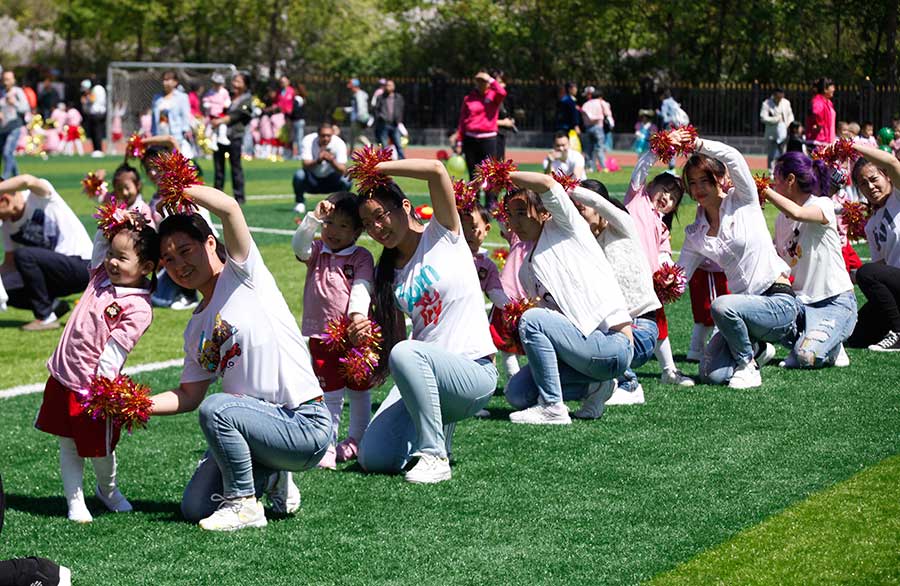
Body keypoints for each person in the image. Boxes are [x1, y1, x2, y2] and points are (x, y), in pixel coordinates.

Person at [149, 185, 331, 531]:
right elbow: (188, 396)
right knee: (195, 507)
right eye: (168, 260)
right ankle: (274, 476)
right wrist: (133, 404)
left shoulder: (243, 274)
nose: (179, 266)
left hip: (303, 423)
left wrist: (179, 185)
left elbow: (230, 208)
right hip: (259, 431)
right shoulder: (195, 329)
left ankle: (244, 504)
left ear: (210, 243)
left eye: (185, 251)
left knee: (217, 408)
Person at [354, 159, 498, 483]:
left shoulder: (443, 233)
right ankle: (433, 430)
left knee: (407, 351)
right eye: (368, 224)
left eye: (380, 215)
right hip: (425, 374)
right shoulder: (388, 272)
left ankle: (435, 455)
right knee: (373, 457)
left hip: (472, 371)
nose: (377, 228)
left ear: (405, 206)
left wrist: (379, 167)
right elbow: (386, 339)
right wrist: (361, 328)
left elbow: (436, 170)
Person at [34, 207, 158, 523]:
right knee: (68, 445)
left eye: (122, 257)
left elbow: (115, 352)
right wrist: (118, 219)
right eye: (111, 254)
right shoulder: (99, 277)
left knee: (101, 449)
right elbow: (101, 242)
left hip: (92, 390)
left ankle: (108, 490)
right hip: (62, 377)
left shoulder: (138, 307)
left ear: (145, 266)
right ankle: (75, 502)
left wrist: (103, 387)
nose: (112, 261)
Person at [502, 172, 633, 424]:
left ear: (545, 213)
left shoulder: (566, 226)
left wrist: (505, 175)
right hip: (581, 352)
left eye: (521, 212)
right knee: (517, 394)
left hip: (613, 343)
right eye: (510, 214)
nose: (514, 222)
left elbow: (549, 184)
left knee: (532, 319)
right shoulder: (525, 270)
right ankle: (595, 389)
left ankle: (553, 408)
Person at [675, 130, 797, 389]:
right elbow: (679, 278)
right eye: (692, 182)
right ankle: (758, 349)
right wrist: (657, 286)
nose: (698, 189)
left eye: (704, 180)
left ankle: (747, 365)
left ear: (720, 179)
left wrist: (695, 144)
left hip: (777, 301)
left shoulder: (744, 199)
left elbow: (733, 157)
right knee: (711, 375)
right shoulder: (695, 233)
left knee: (720, 306)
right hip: (743, 315)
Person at [292, 193, 375, 469]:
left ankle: (359, 439)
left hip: (355, 335)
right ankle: (327, 446)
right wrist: (313, 218)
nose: (333, 231)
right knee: (329, 393)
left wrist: (357, 317)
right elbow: (299, 247)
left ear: (357, 231)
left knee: (359, 389)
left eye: (342, 226)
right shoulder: (316, 250)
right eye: (329, 223)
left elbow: (362, 287)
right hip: (321, 335)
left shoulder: (361, 257)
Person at [568, 179, 660, 410]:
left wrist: (560, 188)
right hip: (611, 329)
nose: (576, 215)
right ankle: (605, 381)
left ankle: (629, 384)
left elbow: (597, 200)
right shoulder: (583, 246)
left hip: (640, 329)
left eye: (580, 208)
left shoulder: (622, 227)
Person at [766, 152, 856, 367]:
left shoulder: (822, 204)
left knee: (806, 358)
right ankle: (814, 339)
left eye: (775, 178)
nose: (771, 183)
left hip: (834, 300)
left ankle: (831, 343)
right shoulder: (780, 219)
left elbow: (797, 213)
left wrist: (763, 190)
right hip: (799, 305)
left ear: (790, 180)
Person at [624, 148, 695, 386]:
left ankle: (669, 370)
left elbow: (664, 256)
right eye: (665, 190)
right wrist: (660, 148)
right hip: (621, 278)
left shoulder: (663, 228)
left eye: (673, 198)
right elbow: (642, 166)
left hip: (646, 285)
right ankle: (616, 371)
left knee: (658, 322)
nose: (667, 198)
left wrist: (669, 276)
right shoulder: (637, 198)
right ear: (651, 184)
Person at [0, 175, 93, 331]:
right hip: (55, 277)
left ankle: (45, 318)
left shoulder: (39, 195)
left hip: (82, 266)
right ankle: (53, 307)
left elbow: (27, 180)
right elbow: (9, 266)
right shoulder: (7, 227)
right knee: (8, 290)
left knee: (24, 255)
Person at [846, 145, 900, 351]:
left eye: (874, 179)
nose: (870, 187)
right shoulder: (871, 224)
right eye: (863, 184)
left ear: (886, 176)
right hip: (897, 287)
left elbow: (893, 162)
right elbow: (881, 269)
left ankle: (899, 332)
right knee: (857, 338)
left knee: (866, 271)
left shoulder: (898, 196)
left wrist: (852, 146)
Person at [455, 71, 507, 183]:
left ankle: (490, 200)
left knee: (490, 173)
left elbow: (502, 92)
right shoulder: (469, 98)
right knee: (473, 174)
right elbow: (462, 121)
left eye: (483, 81)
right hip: (470, 139)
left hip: (488, 139)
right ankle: (474, 200)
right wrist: (459, 141)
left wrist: (490, 79)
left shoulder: (493, 95)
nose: (481, 84)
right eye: (478, 81)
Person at [211, 73, 253, 205]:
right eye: (234, 80)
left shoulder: (247, 99)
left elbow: (239, 114)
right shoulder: (225, 94)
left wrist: (221, 120)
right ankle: (217, 196)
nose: (235, 84)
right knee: (218, 168)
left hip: (235, 136)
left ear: (245, 85)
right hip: (219, 136)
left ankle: (239, 197)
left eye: (239, 82)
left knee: (235, 167)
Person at [292, 122, 352, 215]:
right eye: (323, 136)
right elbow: (305, 165)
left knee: (347, 180)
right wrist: (318, 160)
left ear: (332, 134)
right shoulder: (308, 140)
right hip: (312, 180)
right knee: (299, 175)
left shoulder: (339, 143)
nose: (325, 139)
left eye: (328, 136)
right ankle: (300, 203)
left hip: (332, 180)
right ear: (318, 135)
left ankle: (340, 205)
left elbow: (344, 170)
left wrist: (332, 161)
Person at [151, 71, 193, 157]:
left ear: (175, 82)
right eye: (163, 80)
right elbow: (154, 117)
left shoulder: (182, 97)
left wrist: (185, 131)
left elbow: (185, 116)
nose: (165, 82)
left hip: (175, 137)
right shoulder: (157, 97)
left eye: (167, 80)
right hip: (159, 136)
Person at [0, 71, 29, 179]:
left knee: (7, 152)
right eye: (4, 79)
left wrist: (14, 103)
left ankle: (5, 177)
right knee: (6, 153)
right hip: (3, 127)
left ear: (13, 80)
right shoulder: (2, 93)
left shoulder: (17, 92)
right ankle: (17, 176)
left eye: (8, 79)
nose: (6, 82)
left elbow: (25, 108)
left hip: (14, 125)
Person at [759, 88, 794, 173]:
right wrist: (775, 119)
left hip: (783, 132)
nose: (779, 100)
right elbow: (763, 117)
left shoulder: (786, 103)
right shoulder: (766, 103)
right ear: (774, 95)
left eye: (780, 98)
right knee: (771, 154)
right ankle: (771, 172)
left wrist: (788, 124)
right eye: (777, 97)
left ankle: (782, 171)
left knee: (783, 154)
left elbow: (790, 116)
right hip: (772, 133)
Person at [581, 86, 613, 172]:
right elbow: (607, 113)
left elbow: (583, 114)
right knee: (599, 148)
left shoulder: (586, 104)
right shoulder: (601, 102)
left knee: (588, 149)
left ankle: (589, 167)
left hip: (588, 128)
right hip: (598, 127)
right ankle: (603, 167)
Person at [373, 80, 406, 159]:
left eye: (390, 85)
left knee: (398, 145)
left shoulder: (398, 97)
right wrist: (380, 117)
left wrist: (399, 119)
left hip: (394, 124)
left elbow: (401, 109)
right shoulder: (380, 97)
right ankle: (386, 162)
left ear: (393, 87)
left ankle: (402, 162)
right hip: (384, 124)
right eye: (387, 85)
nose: (388, 87)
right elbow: (376, 110)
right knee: (384, 145)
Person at [203, 72, 231, 152]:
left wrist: (226, 103)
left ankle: (222, 137)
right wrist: (207, 104)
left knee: (222, 125)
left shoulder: (224, 92)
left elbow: (227, 99)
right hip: (212, 114)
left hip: (220, 113)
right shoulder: (210, 92)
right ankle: (213, 142)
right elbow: (206, 100)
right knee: (213, 129)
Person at [79, 78, 106, 157]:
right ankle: (96, 149)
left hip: (97, 114)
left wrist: (86, 98)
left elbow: (92, 100)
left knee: (96, 132)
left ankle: (98, 149)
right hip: (99, 113)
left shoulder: (96, 89)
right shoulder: (99, 89)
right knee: (95, 132)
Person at [808, 78, 836, 145]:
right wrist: (819, 124)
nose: (834, 89)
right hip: (819, 142)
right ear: (825, 89)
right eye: (832, 87)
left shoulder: (828, 103)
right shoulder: (818, 101)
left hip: (827, 141)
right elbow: (816, 113)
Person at [347, 78, 371, 148]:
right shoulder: (357, 94)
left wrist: (360, 119)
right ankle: (350, 154)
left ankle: (369, 147)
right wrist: (346, 110)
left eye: (350, 85)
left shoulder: (359, 94)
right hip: (356, 118)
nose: (349, 87)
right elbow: (355, 108)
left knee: (359, 136)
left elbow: (361, 107)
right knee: (352, 137)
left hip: (358, 119)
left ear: (354, 86)